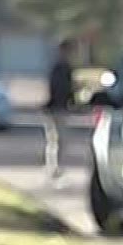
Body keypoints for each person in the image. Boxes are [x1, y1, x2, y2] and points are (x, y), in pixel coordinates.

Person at [43, 39, 75, 182]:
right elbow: (61, 88)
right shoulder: (62, 67)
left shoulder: (59, 66)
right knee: (58, 139)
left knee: (55, 139)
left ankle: (54, 166)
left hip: (57, 106)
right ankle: (54, 167)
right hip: (58, 107)